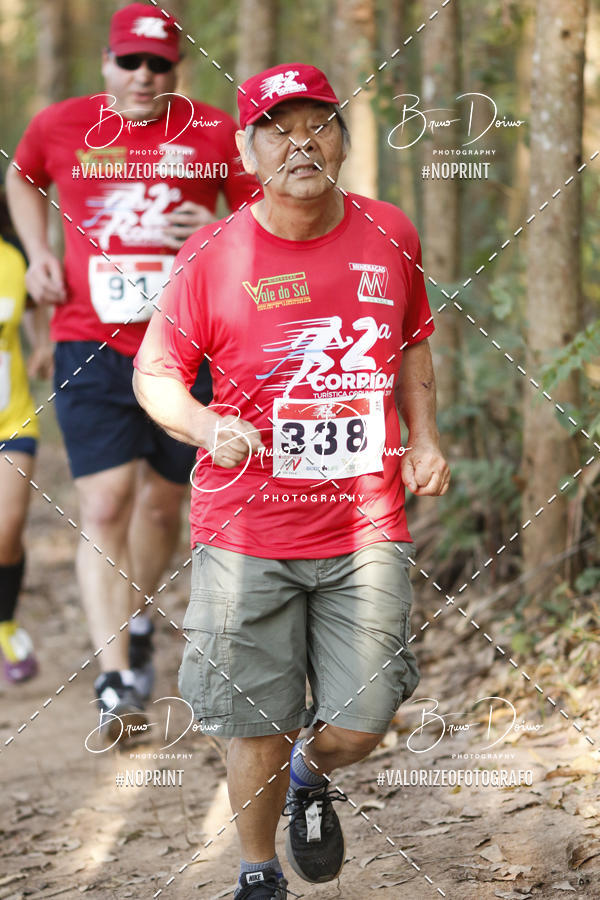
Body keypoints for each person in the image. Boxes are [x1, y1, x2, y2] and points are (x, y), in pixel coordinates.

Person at [133, 63, 450, 899]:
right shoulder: (212, 255)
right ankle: (257, 870)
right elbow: (154, 375)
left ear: (343, 139)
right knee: (255, 720)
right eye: (277, 129)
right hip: (247, 531)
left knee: (365, 717)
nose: (300, 143)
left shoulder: (390, 231)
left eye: (318, 124)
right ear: (246, 152)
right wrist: (208, 425)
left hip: (365, 524)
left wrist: (424, 437)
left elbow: (413, 339)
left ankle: (313, 773)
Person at [6, 2, 258, 736]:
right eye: (130, 61)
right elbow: (23, 178)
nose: (143, 76)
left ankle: (138, 617)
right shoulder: (61, 125)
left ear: (176, 68)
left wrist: (215, 228)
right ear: (107, 62)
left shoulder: (215, 131)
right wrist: (38, 253)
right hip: (88, 340)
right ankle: (115, 681)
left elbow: (260, 218)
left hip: (188, 346)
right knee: (106, 504)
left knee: (159, 506)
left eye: (159, 64)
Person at [0, 186, 52, 683]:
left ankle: (6, 624)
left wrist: (41, 345)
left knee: (6, 532)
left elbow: (34, 304)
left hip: (10, 419)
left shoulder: (13, 258)